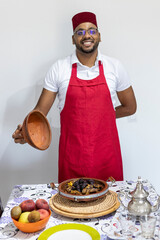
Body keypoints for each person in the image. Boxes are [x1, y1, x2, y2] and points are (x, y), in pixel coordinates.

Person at [12, 12, 137, 183]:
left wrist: (100, 117)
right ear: (73, 39)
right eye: (80, 32)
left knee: (109, 206)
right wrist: (26, 132)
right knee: (71, 206)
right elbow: (40, 112)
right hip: (72, 159)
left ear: (99, 36)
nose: (87, 35)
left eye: (92, 31)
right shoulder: (59, 68)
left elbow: (130, 107)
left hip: (107, 159)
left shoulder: (114, 67)